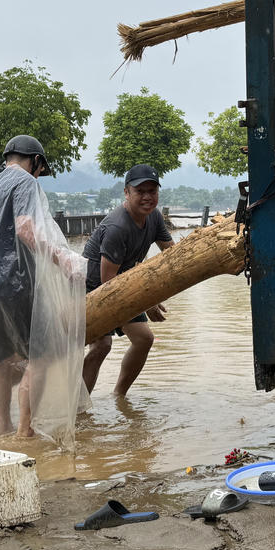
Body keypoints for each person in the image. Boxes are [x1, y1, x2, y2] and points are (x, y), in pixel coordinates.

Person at [0, 135, 86, 444]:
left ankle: (2, 425)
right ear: (35, 161)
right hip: (16, 285)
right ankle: (25, 429)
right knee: (40, 357)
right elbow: (26, 229)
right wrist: (63, 260)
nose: (39, 174)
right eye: (40, 168)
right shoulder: (25, 183)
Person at [82, 164, 175, 396]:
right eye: (139, 191)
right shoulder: (117, 227)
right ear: (127, 193)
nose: (147, 197)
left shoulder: (154, 217)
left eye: (152, 191)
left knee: (144, 339)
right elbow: (108, 286)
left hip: (125, 282)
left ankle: (119, 396)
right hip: (92, 288)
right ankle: (78, 409)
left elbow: (173, 256)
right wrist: (146, 301)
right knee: (102, 346)